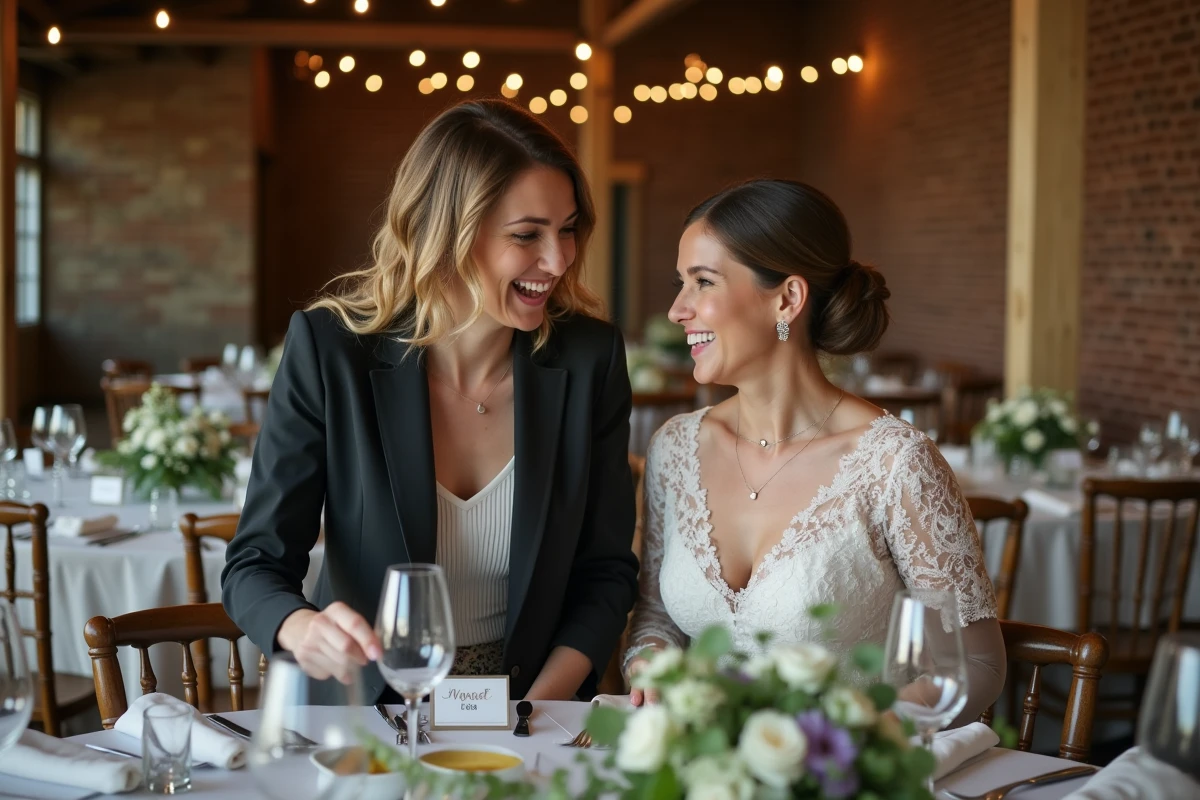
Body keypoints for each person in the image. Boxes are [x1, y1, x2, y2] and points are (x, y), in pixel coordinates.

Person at [223, 99, 639, 703]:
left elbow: (604, 572)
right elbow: (255, 564)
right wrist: (301, 627)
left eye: (568, 228)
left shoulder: (589, 358)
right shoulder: (331, 351)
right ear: (445, 234)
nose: (560, 259)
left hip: (534, 709)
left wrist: (534, 708)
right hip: (365, 713)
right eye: (527, 235)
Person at [623, 179, 1004, 723]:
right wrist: (650, 666)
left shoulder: (896, 464)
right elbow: (657, 614)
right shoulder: (674, 448)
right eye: (681, 283)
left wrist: (846, 732)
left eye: (702, 282)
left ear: (787, 298)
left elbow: (975, 669)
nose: (677, 310)